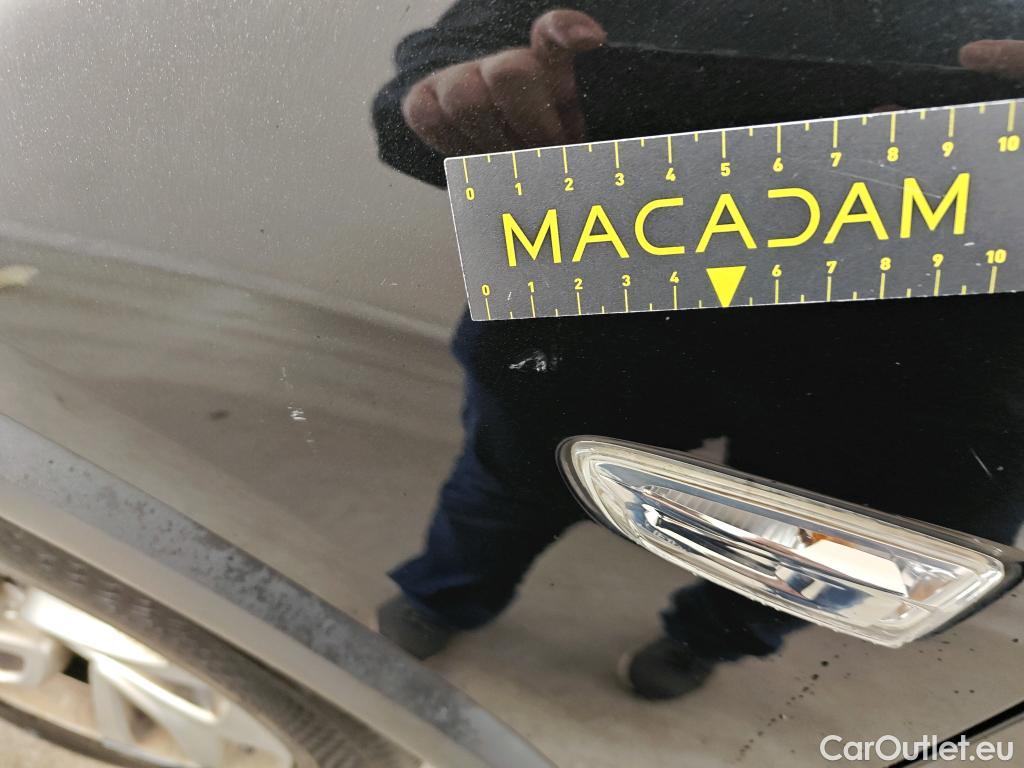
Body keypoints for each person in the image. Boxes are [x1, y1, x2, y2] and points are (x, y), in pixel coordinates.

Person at [371, 1, 1024, 699]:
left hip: (947, 372)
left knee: (817, 559)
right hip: (607, 308)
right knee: (509, 486)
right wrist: (459, 96)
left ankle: (703, 641)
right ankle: (447, 594)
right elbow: (440, 74)